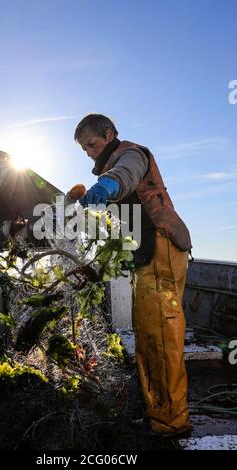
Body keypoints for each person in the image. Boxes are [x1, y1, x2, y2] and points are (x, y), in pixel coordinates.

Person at [74, 113, 192, 436]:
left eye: (92, 144)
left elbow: (126, 174)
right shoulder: (110, 168)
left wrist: (107, 185)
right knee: (147, 336)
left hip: (163, 249)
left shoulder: (130, 154)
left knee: (162, 337)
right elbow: (116, 229)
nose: (89, 152)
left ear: (109, 133)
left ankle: (172, 423)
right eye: (84, 149)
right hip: (146, 260)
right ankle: (155, 411)